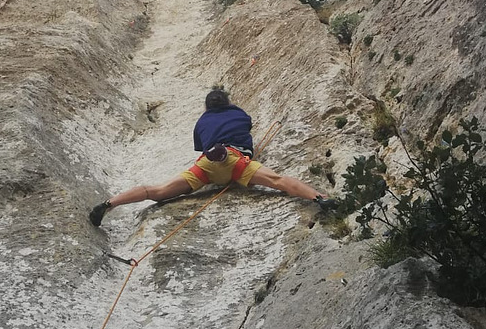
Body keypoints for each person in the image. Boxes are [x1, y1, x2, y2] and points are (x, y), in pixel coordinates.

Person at [89, 88, 334, 227]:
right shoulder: (239, 114)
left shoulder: (201, 122)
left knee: (159, 191)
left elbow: (200, 144)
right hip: (236, 161)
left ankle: (110, 204)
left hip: (206, 166)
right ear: (228, 103)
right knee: (278, 181)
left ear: (207, 108)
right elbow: (246, 126)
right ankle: (319, 197)